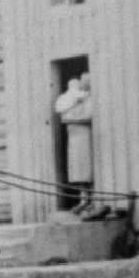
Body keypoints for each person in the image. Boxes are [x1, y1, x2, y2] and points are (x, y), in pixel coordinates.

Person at [54, 72, 96, 215]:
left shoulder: (88, 99)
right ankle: (83, 199)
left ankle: (89, 200)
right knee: (77, 168)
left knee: (86, 169)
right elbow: (61, 110)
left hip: (83, 135)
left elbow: (88, 116)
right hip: (74, 136)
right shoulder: (70, 98)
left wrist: (72, 118)